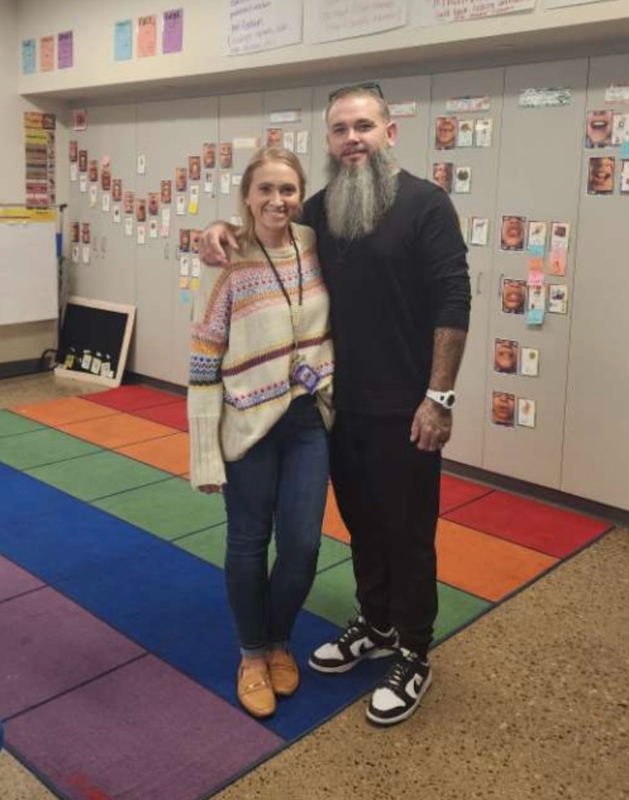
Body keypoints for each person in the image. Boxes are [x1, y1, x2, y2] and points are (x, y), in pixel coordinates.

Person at [199, 84, 470, 727]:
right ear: (328, 141)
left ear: (390, 132)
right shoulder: (320, 210)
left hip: (407, 412)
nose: (353, 138)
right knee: (362, 527)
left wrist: (439, 396)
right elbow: (268, 225)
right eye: (341, 129)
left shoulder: (426, 205)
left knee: (408, 534)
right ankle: (375, 623)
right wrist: (218, 229)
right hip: (335, 409)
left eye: (364, 126)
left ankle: (412, 649)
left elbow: (453, 304)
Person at [188, 147, 334, 721]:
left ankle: (278, 640)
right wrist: (204, 453)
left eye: (289, 190)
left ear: (301, 195)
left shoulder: (316, 246)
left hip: (306, 421)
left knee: (302, 545)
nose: (278, 201)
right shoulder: (225, 260)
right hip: (246, 423)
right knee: (249, 542)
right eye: (265, 190)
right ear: (246, 197)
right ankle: (252, 654)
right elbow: (203, 358)